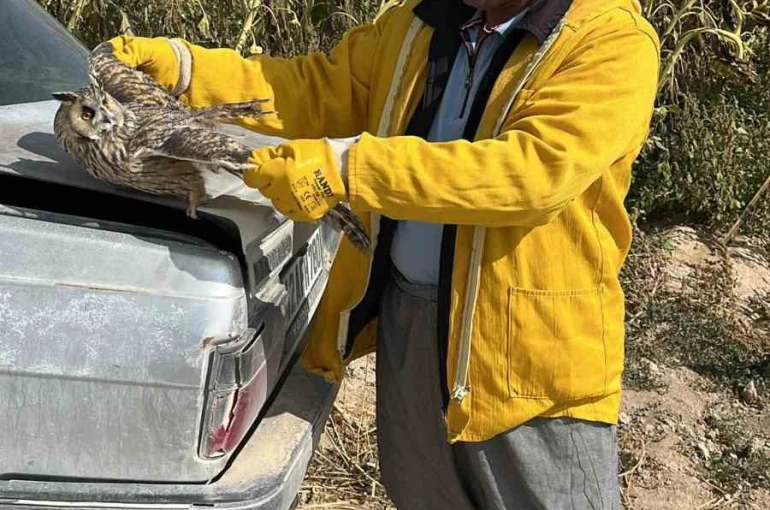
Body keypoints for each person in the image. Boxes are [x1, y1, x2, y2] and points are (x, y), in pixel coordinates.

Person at [109, 0, 660, 507]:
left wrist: (346, 167)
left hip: (530, 354)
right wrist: (186, 70)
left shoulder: (608, 40)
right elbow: (315, 88)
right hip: (411, 323)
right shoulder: (423, 22)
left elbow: (531, 174)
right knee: (425, 494)